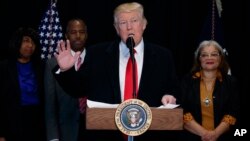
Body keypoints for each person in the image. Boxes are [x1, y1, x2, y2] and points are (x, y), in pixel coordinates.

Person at [54, 2, 180, 141]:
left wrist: (170, 95)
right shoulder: (97, 54)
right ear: (116, 28)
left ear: (144, 24)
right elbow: (78, 90)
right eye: (123, 22)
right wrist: (66, 70)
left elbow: (173, 88)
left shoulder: (163, 56)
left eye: (134, 21)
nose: (129, 27)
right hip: (106, 135)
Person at [180, 40, 240, 141]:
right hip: (192, 136)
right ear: (199, 58)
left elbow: (233, 113)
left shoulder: (231, 82)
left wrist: (215, 134)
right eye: (204, 55)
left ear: (220, 58)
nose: (209, 58)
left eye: (214, 54)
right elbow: (182, 112)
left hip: (222, 137)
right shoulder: (187, 81)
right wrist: (205, 134)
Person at [44, 18, 88, 141]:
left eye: (82, 32)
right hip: (66, 132)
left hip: (94, 130)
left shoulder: (98, 59)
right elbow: (50, 105)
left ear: (86, 34)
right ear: (66, 35)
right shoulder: (53, 64)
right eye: (73, 32)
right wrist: (53, 137)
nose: (78, 36)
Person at [0, 27, 45, 141]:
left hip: (37, 122)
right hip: (13, 123)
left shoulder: (42, 66)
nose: (30, 45)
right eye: (26, 41)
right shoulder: (4, 67)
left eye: (33, 42)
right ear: (17, 42)